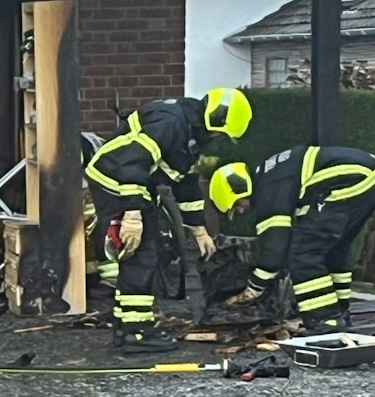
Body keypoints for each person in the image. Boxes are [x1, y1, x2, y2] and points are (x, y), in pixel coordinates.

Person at [83, 88, 253, 352]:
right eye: (221, 134)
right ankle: (135, 332)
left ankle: (125, 325)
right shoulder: (170, 123)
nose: (218, 139)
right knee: (141, 253)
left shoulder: (188, 130)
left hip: (133, 184)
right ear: (217, 121)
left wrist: (198, 228)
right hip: (117, 180)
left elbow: (185, 184)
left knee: (142, 252)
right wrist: (132, 213)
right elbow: (132, 162)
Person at [208, 145, 375, 332]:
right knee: (335, 248)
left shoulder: (268, 191)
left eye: (237, 204)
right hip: (371, 176)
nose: (241, 210)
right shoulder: (271, 175)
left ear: (239, 189)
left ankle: (324, 320)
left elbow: (275, 249)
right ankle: (340, 312)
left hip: (352, 180)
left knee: (302, 252)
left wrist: (253, 288)